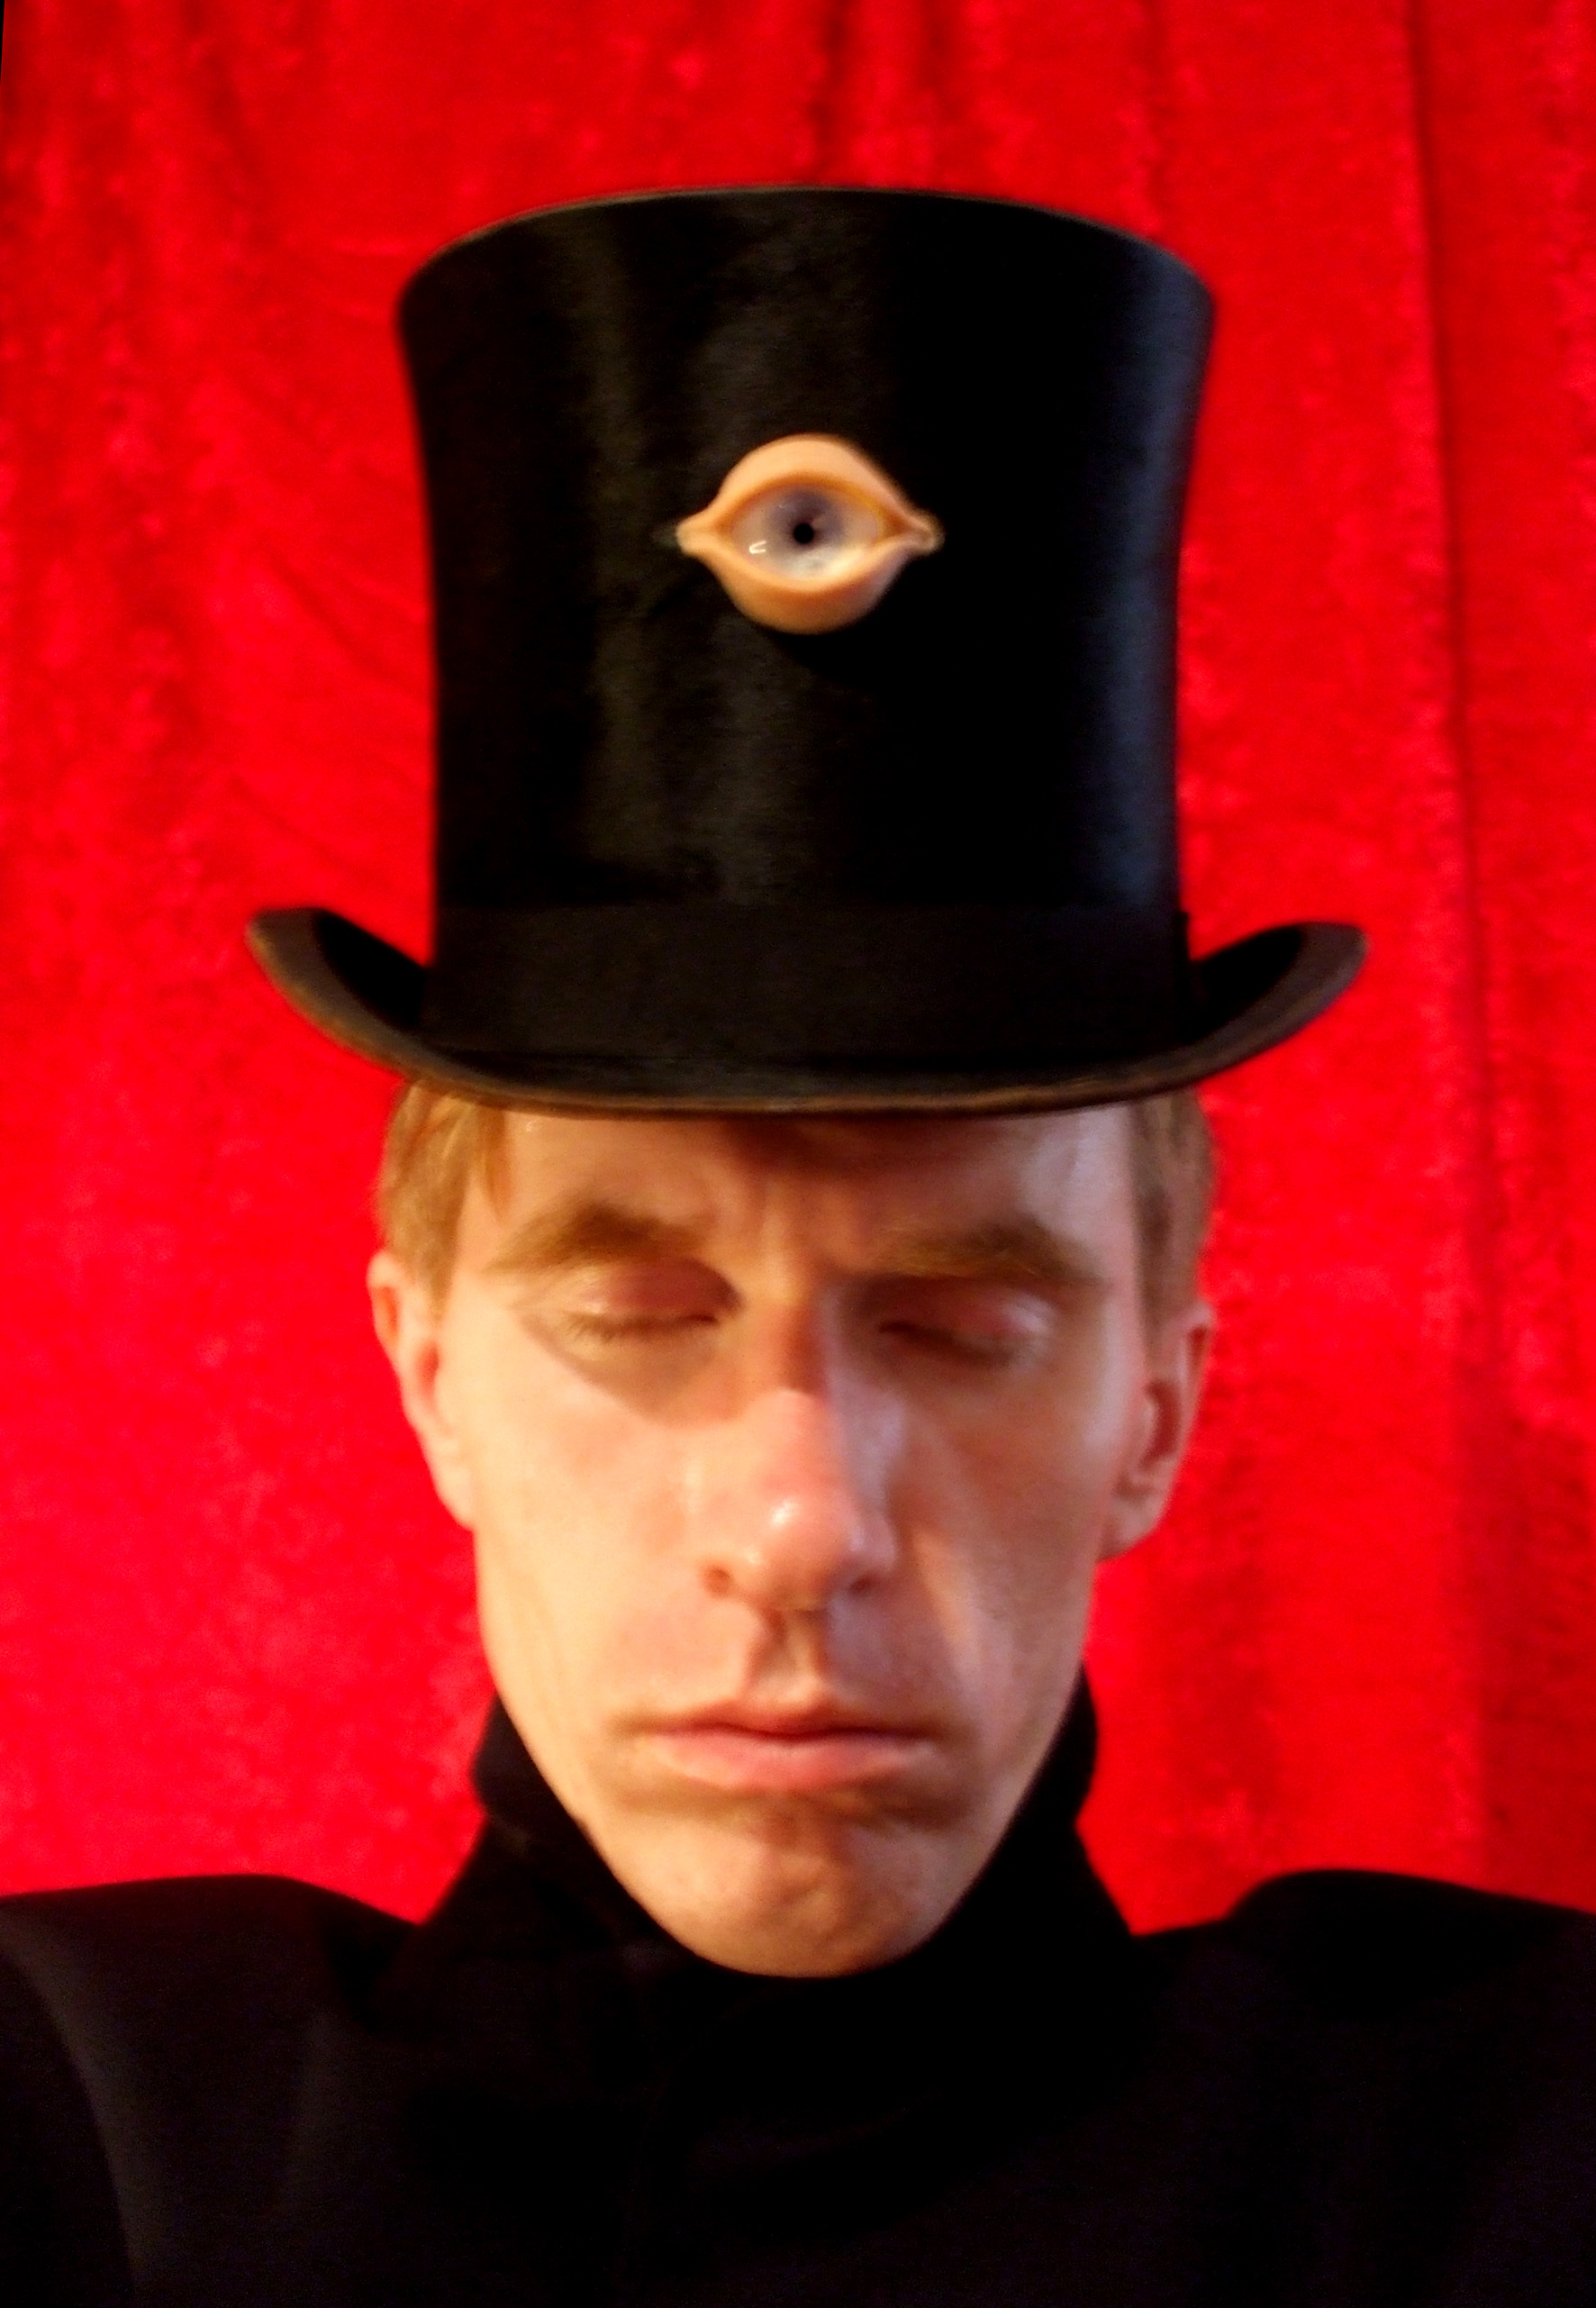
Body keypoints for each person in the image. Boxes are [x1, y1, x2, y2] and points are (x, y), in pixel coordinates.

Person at [4, 186, 1594, 2308]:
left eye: (959, 1323)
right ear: (428, 1376)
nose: (801, 1526)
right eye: (637, 1312)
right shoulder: (90, 2126)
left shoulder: (1495, 2145)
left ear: (1156, 1408)